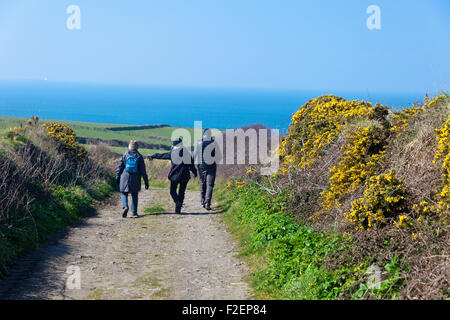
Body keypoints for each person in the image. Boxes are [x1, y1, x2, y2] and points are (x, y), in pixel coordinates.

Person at [149, 138, 197, 213]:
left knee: (172, 191)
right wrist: (195, 172)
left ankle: (177, 202)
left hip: (175, 175)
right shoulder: (187, 153)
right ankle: (179, 208)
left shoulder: (172, 153)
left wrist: (153, 156)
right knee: (182, 191)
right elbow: (191, 165)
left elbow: (162, 156)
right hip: (185, 175)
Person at [116, 140, 149, 218]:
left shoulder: (125, 154)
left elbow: (119, 167)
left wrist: (117, 177)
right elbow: (143, 171)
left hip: (125, 176)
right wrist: (146, 182)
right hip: (136, 177)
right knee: (134, 194)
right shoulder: (139, 156)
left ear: (129, 146)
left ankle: (125, 206)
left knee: (123, 192)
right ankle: (134, 212)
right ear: (137, 147)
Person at [193, 128, 222, 210]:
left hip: (201, 166)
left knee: (203, 183)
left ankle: (202, 200)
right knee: (210, 185)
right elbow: (219, 156)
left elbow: (193, 155)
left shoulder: (199, 143)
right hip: (211, 166)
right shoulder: (214, 143)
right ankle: (207, 203)